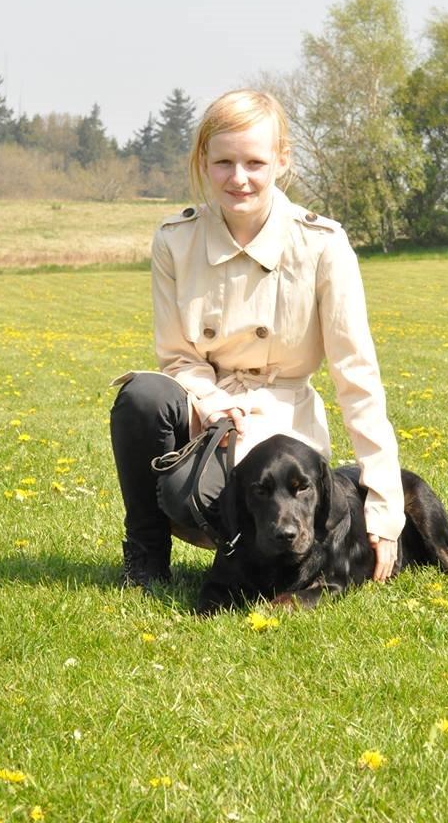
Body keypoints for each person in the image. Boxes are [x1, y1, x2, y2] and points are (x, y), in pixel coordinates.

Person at [110, 89, 405, 591]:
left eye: (254, 161)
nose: (238, 178)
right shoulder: (174, 242)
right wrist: (217, 405)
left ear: (282, 160)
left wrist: (384, 506)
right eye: (223, 161)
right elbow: (177, 358)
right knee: (141, 395)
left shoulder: (322, 245)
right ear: (203, 161)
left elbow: (357, 377)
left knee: (271, 495)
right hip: (209, 416)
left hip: (286, 431)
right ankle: (145, 555)